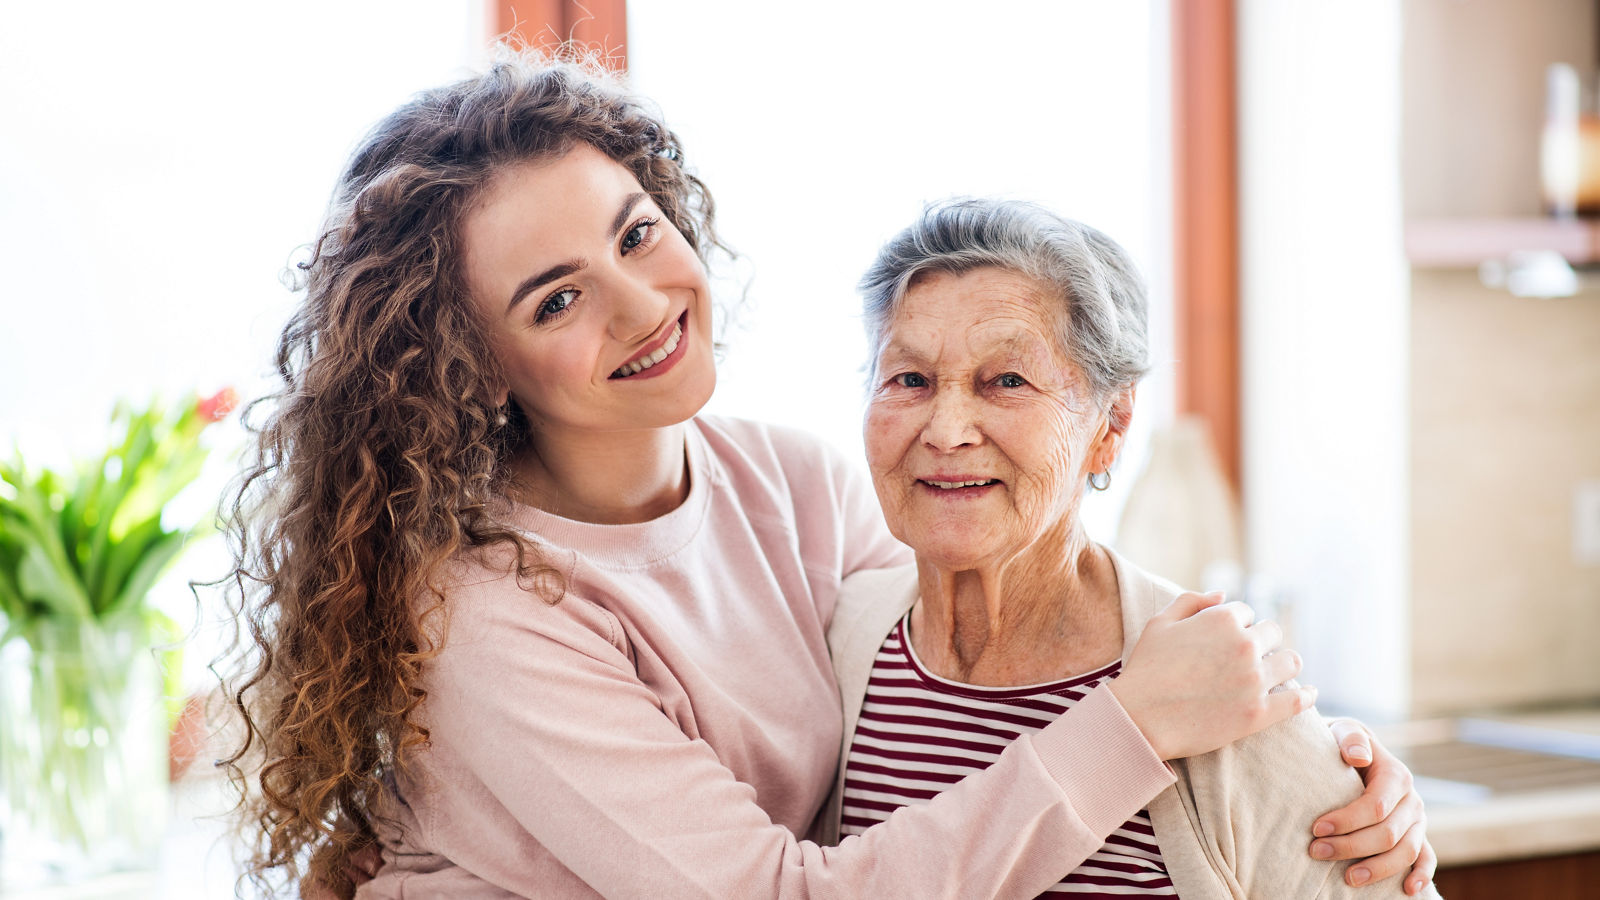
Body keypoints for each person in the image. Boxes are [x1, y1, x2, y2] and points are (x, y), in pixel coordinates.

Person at [220, 51, 1435, 898]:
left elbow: (971, 648)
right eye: (557, 299)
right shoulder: (482, 613)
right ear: (471, 365)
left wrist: (1319, 773)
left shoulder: (788, 484)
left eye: (637, 231)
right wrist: (1140, 720)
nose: (645, 303)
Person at [823, 198, 1437, 897]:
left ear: (1110, 424)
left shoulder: (1219, 693)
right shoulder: (838, 645)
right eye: (910, 380)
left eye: (1008, 381)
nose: (947, 429)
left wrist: (1322, 764)